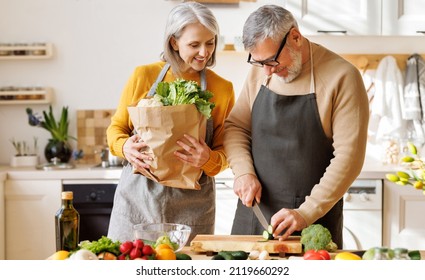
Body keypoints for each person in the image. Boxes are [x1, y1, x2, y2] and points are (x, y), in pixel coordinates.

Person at [223, 5, 369, 248]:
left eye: (272, 61)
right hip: (253, 213)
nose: (267, 70)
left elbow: (349, 157)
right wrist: (243, 172)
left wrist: (306, 212)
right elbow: (236, 127)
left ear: (295, 37)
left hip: (312, 221)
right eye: (260, 63)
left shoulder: (342, 77)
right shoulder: (262, 71)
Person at [106, 1, 235, 243]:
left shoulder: (222, 88)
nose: (204, 52)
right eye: (194, 44)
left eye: (210, 42)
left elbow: (225, 151)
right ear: (174, 43)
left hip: (193, 206)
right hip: (138, 199)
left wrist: (208, 160)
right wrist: (125, 147)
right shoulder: (143, 76)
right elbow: (116, 128)